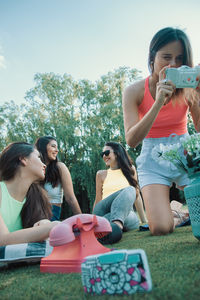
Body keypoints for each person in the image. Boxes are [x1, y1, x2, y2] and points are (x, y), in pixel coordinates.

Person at [123, 27, 200, 236]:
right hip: (152, 158)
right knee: (161, 228)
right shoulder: (134, 91)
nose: (173, 65)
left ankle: (184, 210)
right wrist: (157, 103)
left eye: (180, 59)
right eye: (166, 57)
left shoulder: (190, 87)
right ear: (152, 57)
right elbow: (131, 140)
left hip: (186, 153)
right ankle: (178, 212)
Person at [0, 142, 59, 246]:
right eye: (38, 158)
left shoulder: (36, 197)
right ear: (23, 159)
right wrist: (51, 227)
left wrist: (44, 224)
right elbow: (2, 240)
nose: (44, 164)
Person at [93, 141, 146, 244]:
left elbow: (137, 197)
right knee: (130, 190)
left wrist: (144, 221)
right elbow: (98, 199)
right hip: (103, 210)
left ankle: (114, 226)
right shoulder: (101, 174)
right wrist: (93, 219)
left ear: (117, 153)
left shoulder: (131, 170)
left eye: (107, 152)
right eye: (102, 154)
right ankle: (115, 226)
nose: (104, 156)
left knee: (131, 190)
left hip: (126, 213)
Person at [35, 136, 82, 221]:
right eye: (53, 146)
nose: (57, 150)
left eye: (57, 147)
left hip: (51, 216)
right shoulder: (33, 168)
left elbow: (70, 198)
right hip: (32, 214)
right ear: (42, 147)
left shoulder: (60, 167)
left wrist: (83, 220)